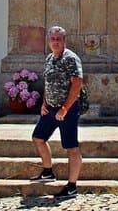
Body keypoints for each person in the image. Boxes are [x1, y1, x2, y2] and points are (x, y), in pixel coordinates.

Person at [30, 25, 83, 198]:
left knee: (71, 147)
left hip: (67, 109)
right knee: (38, 138)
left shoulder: (70, 58)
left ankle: (72, 186)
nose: (55, 42)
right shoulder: (49, 59)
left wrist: (65, 108)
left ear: (64, 41)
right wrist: (44, 103)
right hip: (50, 108)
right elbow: (48, 82)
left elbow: (77, 83)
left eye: (58, 39)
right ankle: (47, 171)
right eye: (52, 39)